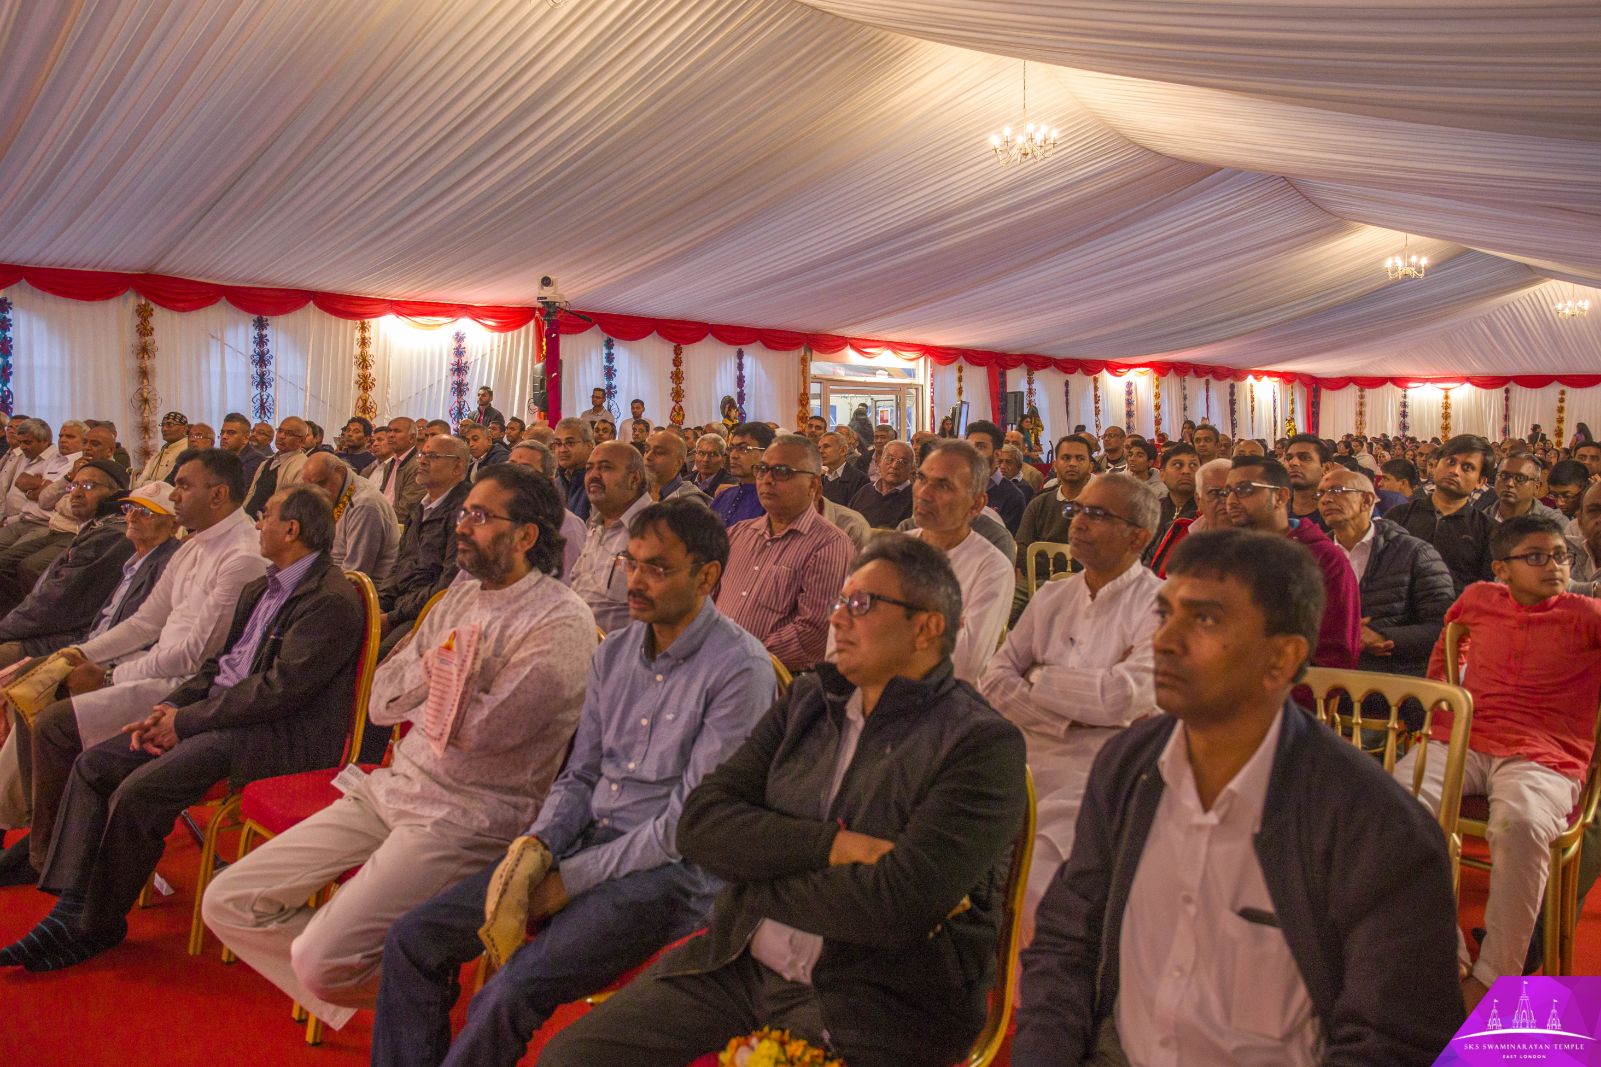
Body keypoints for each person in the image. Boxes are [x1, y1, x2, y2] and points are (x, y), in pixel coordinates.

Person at [541, 535, 1028, 1067]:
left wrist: (753, 874)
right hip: (739, 959)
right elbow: (701, 825)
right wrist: (832, 846)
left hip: (871, 1000)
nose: (837, 619)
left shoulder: (979, 744)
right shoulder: (809, 701)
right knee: (570, 1058)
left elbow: (895, 908)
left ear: (927, 627)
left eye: (861, 604)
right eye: (839, 602)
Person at [1013, 528, 1464, 1066]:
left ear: (1281, 659)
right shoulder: (1129, 767)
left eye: (1204, 619)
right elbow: (1067, 940)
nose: (1165, 640)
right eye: (1164, 615)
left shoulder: (1374, 828)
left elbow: (1393, 1042)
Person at [370, 499, 775, 1067]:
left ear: (707, 576)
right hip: (586, 843)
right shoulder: (615, 652)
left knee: (509, 992)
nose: (634, 582)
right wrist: (537, 848)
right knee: (413, 939)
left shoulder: (740, 670)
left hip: (672, 876)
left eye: (656, 568)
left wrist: (570, 880)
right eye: (630, 564)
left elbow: (688, 824)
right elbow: (581, 775)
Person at [202, 464, 595, 1031]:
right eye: (463, 513)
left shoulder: (560, 621)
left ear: (527, 535)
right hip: (392, 788)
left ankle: (402, 989)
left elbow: (482, 740)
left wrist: (437, 679)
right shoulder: (460, 601)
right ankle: (413, 989)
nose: (462, 526)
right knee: (229, 899)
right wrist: (450, 678)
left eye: (480, 517)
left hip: (466, 815)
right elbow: (383, 700)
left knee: (317, 960)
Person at [0, 486, 365, 970]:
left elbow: (280, 692)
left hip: (275, 734)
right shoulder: (264, 585)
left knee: (138, 791)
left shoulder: (330, 599)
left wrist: (184, 721)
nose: (258, 523)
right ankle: (71, 908)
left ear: (291, 530)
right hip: (222, 714)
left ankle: (97, 924)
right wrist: (168, 709)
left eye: (266, 516)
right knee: (93, 765)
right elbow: (218, 665)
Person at [7, 450, 266, 881]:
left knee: (56, 724)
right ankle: (43, 838)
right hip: (155, 666)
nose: (175, 495)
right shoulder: (193, 546)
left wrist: (108, 675)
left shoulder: (240, 556)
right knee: (38, 687)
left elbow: (195, 656)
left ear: (218, 494)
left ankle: (45, 857)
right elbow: (145, 621)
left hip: (187, 687)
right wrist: (83, 654)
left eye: (184, 485)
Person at [1396, 516, 1601, 1009]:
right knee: (1398, 807)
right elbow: (1451, 640)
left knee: (1522, 826)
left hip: (1544, 752)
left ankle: (1494, 976)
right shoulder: (1479, 599)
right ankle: (1446, 954)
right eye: (1536, 556)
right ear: (1501, 569)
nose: (1554, 566)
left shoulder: (1586, 614)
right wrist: (1444, 703)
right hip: (1465, 736)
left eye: (1560, 555)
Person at [980, 472, 1160, 923]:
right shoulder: (1054, 595)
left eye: (1095, 514)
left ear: (1138, 536)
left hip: (1102, 770)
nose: (1077, 522)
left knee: (1039, 891)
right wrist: (1070, 716)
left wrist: (1039, 678)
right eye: (1075, 510)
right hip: (1022, 758)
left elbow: (1122, 697)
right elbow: (994, 679)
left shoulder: (1159, 602)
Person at [715, 435, 853, 672]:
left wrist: (743, 658)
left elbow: (815, 631)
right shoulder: (738, 533)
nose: (767, 480)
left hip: (776, 678)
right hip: (716, 664)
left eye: (782, 472)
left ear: (814, 485)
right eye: (762, 470)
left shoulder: (830, 544)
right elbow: (708, 598)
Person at [1316, 469, 1454, 680]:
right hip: (1327, 680)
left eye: (1336, 491)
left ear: (1367, 499)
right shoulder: (1314, 555)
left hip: (1394, 682)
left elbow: (1442, 626)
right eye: (1321, 494)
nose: (1326, 500)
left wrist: (1382, 636)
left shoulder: (1415, 553)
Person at [1224, 456, 1360, 668]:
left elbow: (1334, 654)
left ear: (1280, 496)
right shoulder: (1228, 556)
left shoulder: (1323, 558)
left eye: (1244, 489)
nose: (1231, 500)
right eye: (1228, 491)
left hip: (1293, 691)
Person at [905, 441, 1012, 681]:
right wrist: (936, 628)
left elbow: (964, 665)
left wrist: (886, 628)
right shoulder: (895, 552)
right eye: (921, 479)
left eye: (942, 486)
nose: (923, 494)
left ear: (976, 504)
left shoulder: (991, 567)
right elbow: (844, 636)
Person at [0, 459, 128, 619]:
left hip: (62, 632)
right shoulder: (92, 524)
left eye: (89, 486)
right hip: (52, 530)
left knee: (31, 566)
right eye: (73, 487)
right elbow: (45, 500)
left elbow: (67, 609)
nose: (76, 493)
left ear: (116, 492)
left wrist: (12, 628)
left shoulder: (110, 535)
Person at [377, 435, 471, 645]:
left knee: (380, 659)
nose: (422, 461)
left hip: (430, 611)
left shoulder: (465, 512)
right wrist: (381, 604)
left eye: (433, 456)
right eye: (422, 454)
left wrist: (392, 617)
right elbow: (399, 563)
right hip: (402, 605)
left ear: (457, 467)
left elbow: (448, 584)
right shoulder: (421, 507)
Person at [1384, 435, 1496, 594]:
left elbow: (1485, 591)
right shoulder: (1399, 516)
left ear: (1481, 482)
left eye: (1467, 467)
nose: (1455, 471)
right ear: (1435, 466)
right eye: (1450, 462)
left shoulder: (1488, 530)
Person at [568, 441, 651, 634]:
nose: (594, 476)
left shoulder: (654, 529)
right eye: (589, 469)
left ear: (634, 478)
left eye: (606, 467)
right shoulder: (596, 525)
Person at [1013, 435, 1093, 619]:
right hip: (1039, 580)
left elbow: (1102, 554)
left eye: (1080, 458)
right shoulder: (1040, 502)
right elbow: (1023, 547)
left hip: (1086, 582)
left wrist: (1048, 557)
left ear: (1090, 466)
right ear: (1055, 464)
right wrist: (1054, 564)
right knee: (1003, 611)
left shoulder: (1103, 506)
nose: (1072, 463)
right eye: (1066, 458)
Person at [301, 452, 400, 582]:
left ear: (340, 472)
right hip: (332, 575)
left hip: (365, 591)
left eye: (320, 484)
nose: (315, 493)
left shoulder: (364, 504)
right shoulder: (336, 493)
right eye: (309, 488)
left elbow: (355, 573)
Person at [506, 440, 587, 580]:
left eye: (525, 468)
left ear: (547, 481)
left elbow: (566, 586)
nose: (514, 474)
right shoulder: (495, 515)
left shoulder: (567, 525)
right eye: (511, 466)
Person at [242, 417, 311, 519]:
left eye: (289, 434)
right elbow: (251, 494)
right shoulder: (266, 462)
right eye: (280, 431)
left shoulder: (302, 467)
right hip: (248, 521)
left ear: (302, 440)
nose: (281, 436)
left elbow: (293, 506)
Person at [964, 420, 1025, 534]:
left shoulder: (1013, 497)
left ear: (997, 454)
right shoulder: (958, 488)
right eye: (969, 446)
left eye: (980, 446)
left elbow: (1007, 544)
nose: (972, 452)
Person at [708, 422, 774, 528]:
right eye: (732, 448)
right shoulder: (724, 495)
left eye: (743, 449)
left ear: (767, 452)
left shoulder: (772, 500)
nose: (733, 455)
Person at [1143, 443, 1198, 565]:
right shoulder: (1152, 510)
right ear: (1162, 475)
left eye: (1193, 465)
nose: (1186, 471)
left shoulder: (1205, 513)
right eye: (1178, 465)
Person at [848, 439, 915, 530]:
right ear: (879, 462)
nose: (894, 466)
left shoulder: (915, 498)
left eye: (903, 461)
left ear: (912, 468)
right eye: (889, 459)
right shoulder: (865, 491)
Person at [1490, 453, 1565, 525]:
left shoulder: (1554, 522)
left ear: (1536, 487)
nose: (1509, 484)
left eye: (1520, 478)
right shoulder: (1481, 520)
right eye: (1504, 476)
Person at [641, 429, 708, 505]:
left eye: (659, 452)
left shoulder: (690, 504)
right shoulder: (636, 493)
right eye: (646, 450)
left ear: (678, 463)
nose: (648, 457)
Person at [1283, 433, 1332, 530]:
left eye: (1305, 458)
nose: (1293, 463)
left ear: (1326, 468)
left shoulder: (1334, 512)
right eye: (1289, 458)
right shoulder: (1276, 507)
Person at [550, 417, 594, 520]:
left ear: (589, 446)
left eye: (570, 443)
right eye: (558, 444)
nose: (562, 450)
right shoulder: (556, 484)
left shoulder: (597, 482)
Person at [135, 412, 189, 485]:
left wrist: (146, 484)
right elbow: (139, 483)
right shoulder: (158, 454)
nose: (164, 429)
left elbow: (169, 485)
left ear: (184, 428)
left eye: (170, 424)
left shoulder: (187, 450)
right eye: (162, 425)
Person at [819, 430, 868, 507]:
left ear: (843, 450)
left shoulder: (860, 479)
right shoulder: (820, 478)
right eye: (819, 447)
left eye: (826, 446)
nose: (821, 451)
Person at [219, 412, 269, 485]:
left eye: (231, 433)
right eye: (222, 432)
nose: (224, 437)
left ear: (245, 438)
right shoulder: (222, 458)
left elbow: (238, 491)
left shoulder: (255, 459)